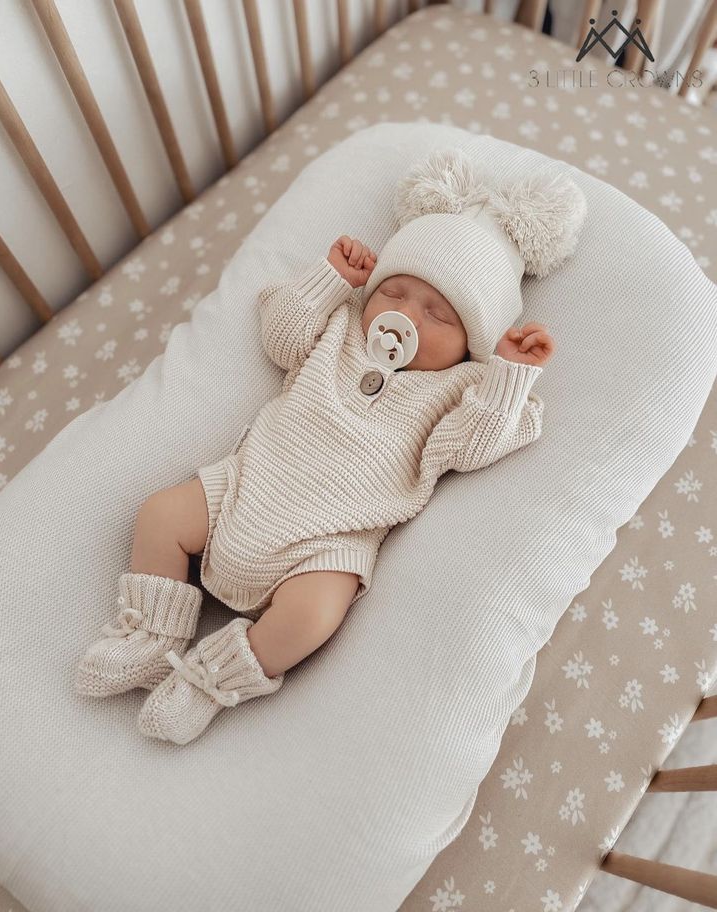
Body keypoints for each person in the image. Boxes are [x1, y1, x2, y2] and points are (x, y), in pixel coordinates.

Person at [74, 146, 587, 745]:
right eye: (394, 293)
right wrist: (331, 282)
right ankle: (149, 638)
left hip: (329, 542)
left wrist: (508, 374)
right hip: (247, 485)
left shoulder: (460, 387)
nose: (407, 317)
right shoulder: (342, 328)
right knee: (162, 514)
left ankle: (209, 682)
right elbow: (283, 338)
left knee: (313, 617)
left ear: (472, 341)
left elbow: (474, 444)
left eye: (437, 314)